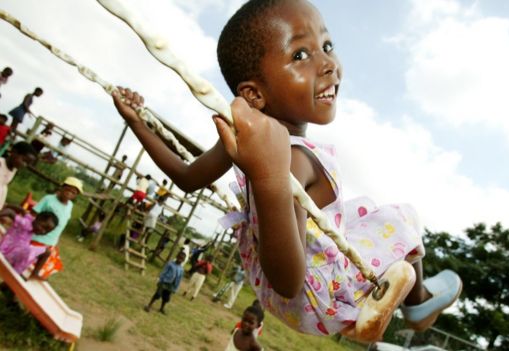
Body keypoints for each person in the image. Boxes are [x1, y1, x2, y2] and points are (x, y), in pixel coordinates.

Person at [111, 0, 462, 341]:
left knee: (362, 216)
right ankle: (414, 303)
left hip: (285, 300)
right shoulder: (291, 161)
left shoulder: (252, 141)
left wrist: (140, 123)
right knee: (403, 218)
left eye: (326, 45)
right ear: (254, 94)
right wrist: (270, 178)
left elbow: (187, 177)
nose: (328, 64)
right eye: (300, 55)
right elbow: (289, 280)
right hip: (315, 298)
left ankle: (395, 303)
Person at [28, 176, 82, 278]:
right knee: (25, 264)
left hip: (51, 242)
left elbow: (62, 223)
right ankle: (7, 286)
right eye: (68, 189)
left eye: (73, 192)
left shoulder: (70, 205)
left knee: (40, 266)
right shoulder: (49, 199)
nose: (69, 193)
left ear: (75, 196)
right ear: (62, 187)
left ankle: (11, 288)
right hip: (37, 238)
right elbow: (32, 214)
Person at [0, 208, 58, 276]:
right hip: (7, 252)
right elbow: (9, 212)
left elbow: (22, 210)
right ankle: (25, 273)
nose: (43, 231)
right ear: (37, 219)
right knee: (42, 251)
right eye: (43, 226)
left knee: (42, 252)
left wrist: (8, 205)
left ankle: (31, 273)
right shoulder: (26, 224)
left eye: (47, 231)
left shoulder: (31, 221)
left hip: (13, 252)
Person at [144, 251, 186, 315]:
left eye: (182, 259)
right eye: (179, 257)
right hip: (164, 282)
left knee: (166, 297)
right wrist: (159, 279)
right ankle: (149, 305)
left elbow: (179, 279)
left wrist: (176, 288)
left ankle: (161, 308)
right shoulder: (170, 264)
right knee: (158, 294)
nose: (180, 259)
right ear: (176, 257)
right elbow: (164, 272)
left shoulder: (181, 269)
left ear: (183, 260)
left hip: (171, 285)